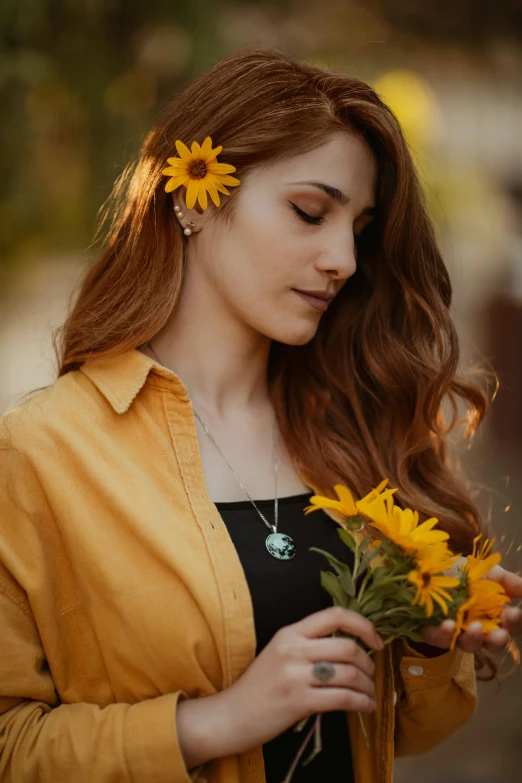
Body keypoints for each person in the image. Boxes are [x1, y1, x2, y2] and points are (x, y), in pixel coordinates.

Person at [0, 47, 521, 783]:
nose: (342, 256)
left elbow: (397, 734)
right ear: (196, 195)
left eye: (360, 230)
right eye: (310, 211)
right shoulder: (41, 452)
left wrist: (432, 639)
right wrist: (213, 721)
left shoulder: (349, 426)